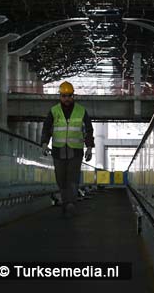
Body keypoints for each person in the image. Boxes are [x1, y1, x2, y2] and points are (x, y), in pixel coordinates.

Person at [40, 81, 95, 218]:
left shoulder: (81, 111)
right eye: (64, 96)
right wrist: (44, 143)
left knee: (72, 179)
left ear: (73, 95)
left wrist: (89, 147)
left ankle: (71, 204)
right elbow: (46, 128)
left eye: (69, 95)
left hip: (75, 151)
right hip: (58, 151)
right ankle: (66, 203)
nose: (66, 98)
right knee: (61, 179)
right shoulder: (54, 111)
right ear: (60, 96)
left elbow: (88, 130)